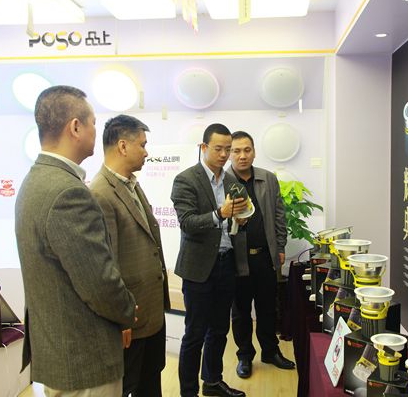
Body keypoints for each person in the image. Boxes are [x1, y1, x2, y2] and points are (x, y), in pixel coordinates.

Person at [15, 85, 136, 396]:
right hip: (84, 359)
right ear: (76, 127)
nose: (96, 130)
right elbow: (98, 283)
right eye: (94, 122)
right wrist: (128, 309)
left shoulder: (35, 180)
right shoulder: (68, 192)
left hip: (61, 352)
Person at [90, 115, 170, 397]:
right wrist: (121, 318)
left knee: (151, 379)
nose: (146, 152)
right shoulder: (100, 193)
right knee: (129, 386)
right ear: (123, 146)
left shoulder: (131, 184)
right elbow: (106, 265)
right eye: (142, 145)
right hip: (130, 317)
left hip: (150, 310)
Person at [170, 123, 249, 397]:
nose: (224, 154)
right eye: (218, 148)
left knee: (219, 329)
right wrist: (220, 213)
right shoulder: (186, 179)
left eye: (228, 149)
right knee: (194, 334)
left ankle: (212, 382)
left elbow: (235, 221)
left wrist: (239, 219)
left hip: (226, 263)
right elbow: (187, 223)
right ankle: (188, 392)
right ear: (203, 147)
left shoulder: (231, 181)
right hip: (198, 268)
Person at [228, 131, 296, 378]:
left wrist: (280, 247)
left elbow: (279, 214)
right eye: (236, 151)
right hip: (236, 258)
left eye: (247, 150)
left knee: (268, 307)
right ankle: (245, 356)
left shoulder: (268, 178)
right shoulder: (223, 181)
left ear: (254, 152)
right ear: (229, 154)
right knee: (241, 311)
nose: (242, 156)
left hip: (265, 255)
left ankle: (270, 351)